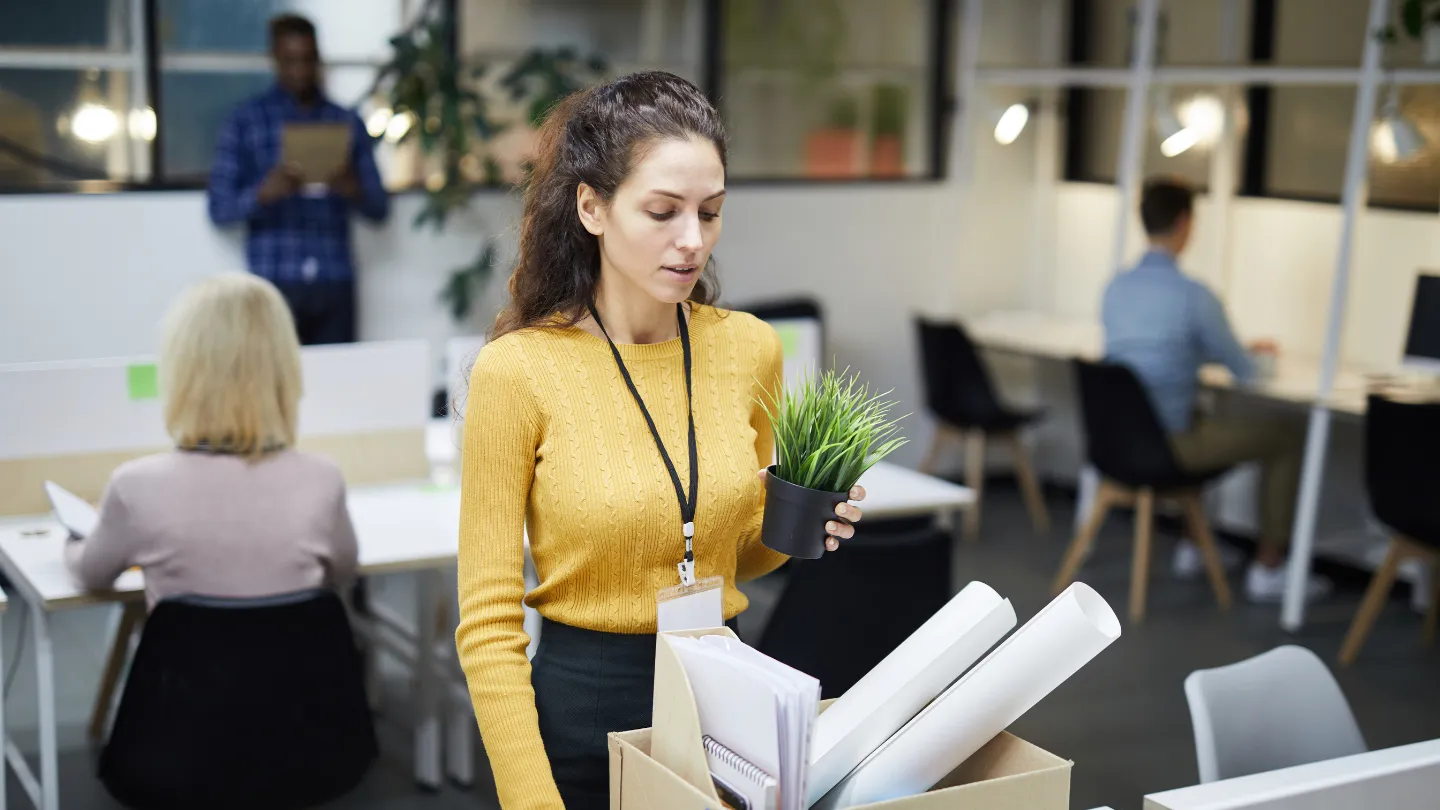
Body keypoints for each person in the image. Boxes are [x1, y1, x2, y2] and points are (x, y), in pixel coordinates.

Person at [454, 72, 865, 810]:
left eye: (710, 213)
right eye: (662, 211)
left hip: (727, 702)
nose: (692, 240)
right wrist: (529, 799)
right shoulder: (518, 372)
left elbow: (740, 554)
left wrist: (803, 522)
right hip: (584, 714)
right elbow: (487, 625)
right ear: (592, 207)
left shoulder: (750, 349)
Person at [65, 272, 358, 609]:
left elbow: (91, 574)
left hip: (180, 663)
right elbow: (343, 570)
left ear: (183, 371)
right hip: (298, 662)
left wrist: (74, 537)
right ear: (284, 370)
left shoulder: (135, 487)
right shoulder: (322, 479)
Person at [1101, 177, 1327, 603]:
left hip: (1119, 442)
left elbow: (1156, 352)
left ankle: (1194, 545)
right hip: (1169, 445)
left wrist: (1207, 354)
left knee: (1206, 418)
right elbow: (1246, 373)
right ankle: (1269, 568)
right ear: (1185, 222)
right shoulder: (1193, 296)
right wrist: (1256, 355)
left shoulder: (1115, 288)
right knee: (1286, 437)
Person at [206, 13, 388, 346]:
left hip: (334, 280)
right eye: (290, 61)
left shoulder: (345, 120)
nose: (300, 70)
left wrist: (352, 188)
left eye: (307, 60)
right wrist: (264, 193)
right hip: (273, 282)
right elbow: (219, 210)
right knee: (272, 388)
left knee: (339, 382)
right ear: (274, 59)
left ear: (317, 58)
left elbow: (380, 209)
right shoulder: (244, 121)